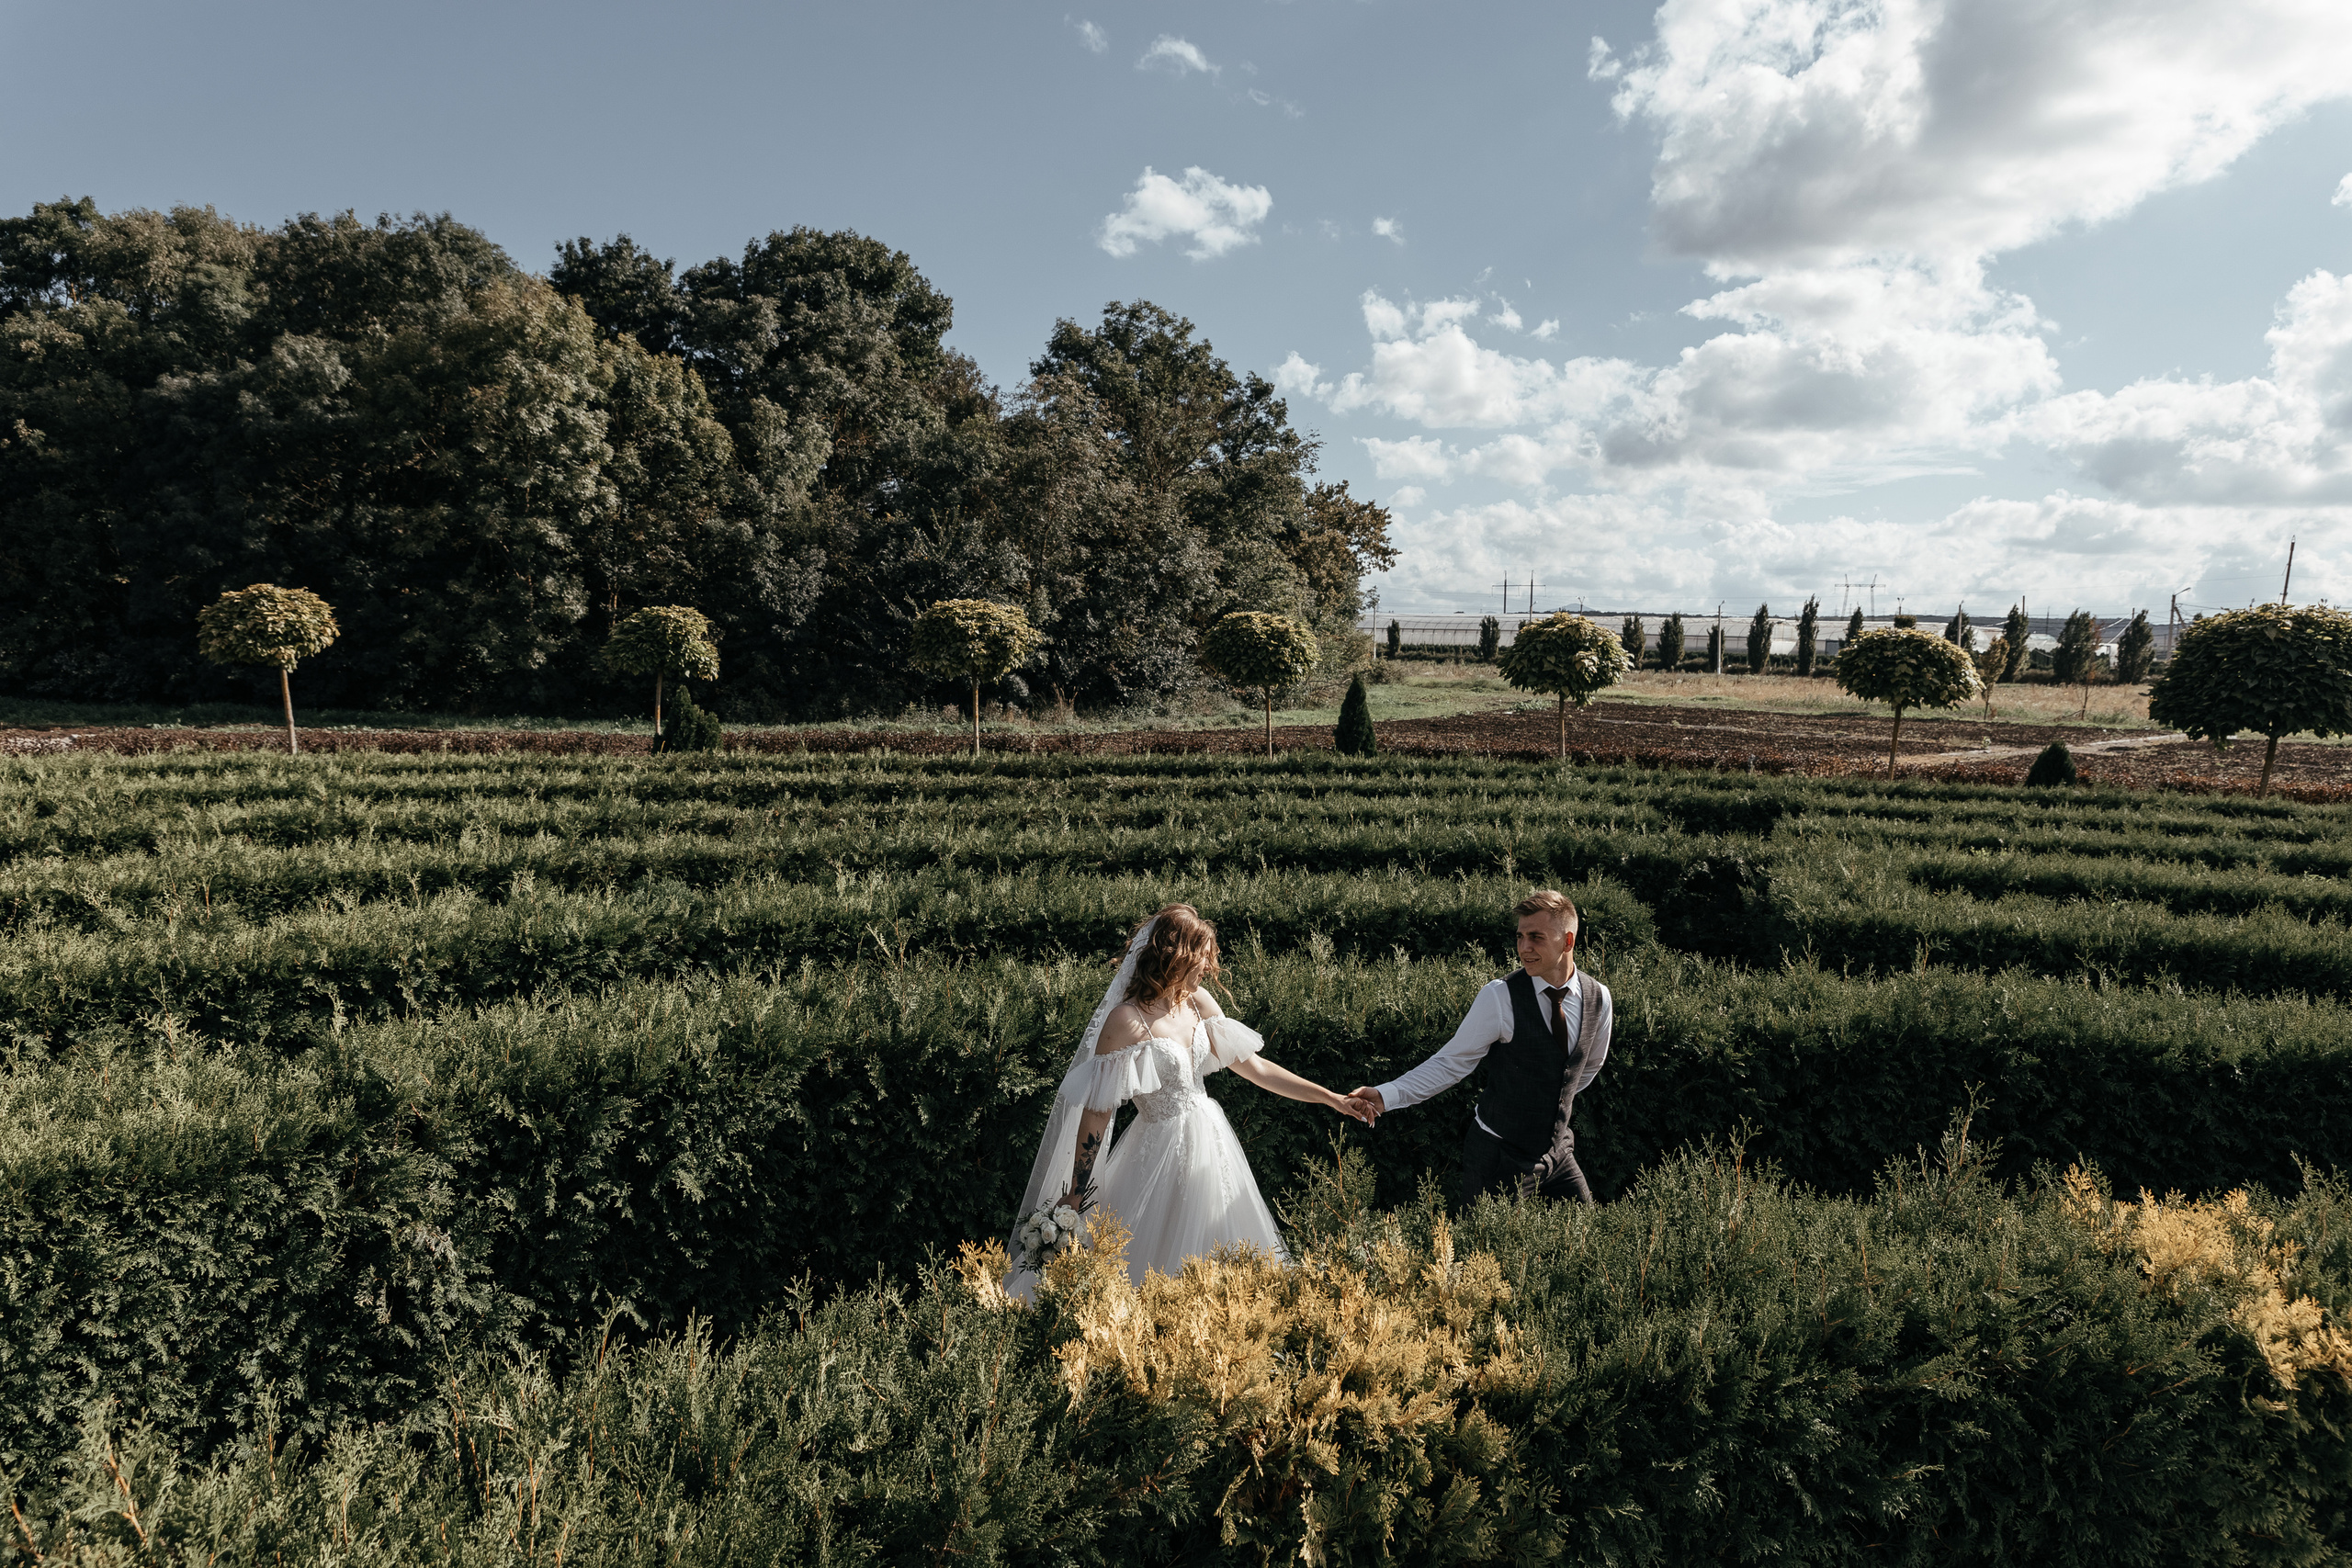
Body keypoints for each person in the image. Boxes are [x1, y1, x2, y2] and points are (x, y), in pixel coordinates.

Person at [1006, 904, 1369, 1298]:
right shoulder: (1126, 1021)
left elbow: (1259, 1070)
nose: (1209, 967)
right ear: (1174, 955)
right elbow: (1097, 1113)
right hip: (1156, 1154)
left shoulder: (1199, 1003)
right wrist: (1076, 1192)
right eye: (1203, 957)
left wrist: (1331, 1098)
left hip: (1212, 1146)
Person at [1348, 889, 1612, 1208]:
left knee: (1585, 1240)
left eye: (1536, 937)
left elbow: (1589, 1066)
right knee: (1486, 1254)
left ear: (1567, 942)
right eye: (1520, 937)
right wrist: (1385, 1095)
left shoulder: (1599, 997)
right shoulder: (1500, 997)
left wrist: (1546, 1100)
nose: (1523, 948)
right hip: (1499, 1157)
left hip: (1559, 1152)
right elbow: (1450, 1063)